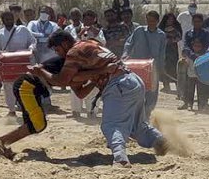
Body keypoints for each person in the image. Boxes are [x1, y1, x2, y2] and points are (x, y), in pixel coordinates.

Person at [31, 31, 168, 167]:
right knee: (137, 126)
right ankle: (160, 140)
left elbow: (61, 81)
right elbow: (80, 92)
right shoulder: (90, 42)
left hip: (118, 86)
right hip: (133, 80)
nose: (58, 53)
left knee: (111, 125)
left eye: (57, 49)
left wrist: (41, 72)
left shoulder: (73, 53)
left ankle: (121, 159)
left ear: (65, 43)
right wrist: (97, 76)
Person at [0, 11, 36, 117]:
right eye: (6, 19)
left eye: (11, 18)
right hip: (8, 66)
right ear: (2, 20)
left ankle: (27, 110)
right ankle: (12, 111)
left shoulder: (23, 30)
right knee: (8, 88)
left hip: (22, 64)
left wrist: (31, 49)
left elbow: (33, 41)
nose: (9, 21)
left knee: (24, 87)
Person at [123, 10, 166, 117]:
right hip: (137, 67)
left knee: (152, 92)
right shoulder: (139, 31)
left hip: (152, 68)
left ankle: (147, 113)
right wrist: (125, 55)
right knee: (137, 90)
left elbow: (162, 53)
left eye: (153, 21)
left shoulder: (161, 35)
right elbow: (129, 43)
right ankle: (136, 113)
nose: (150, 22)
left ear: (157, 21)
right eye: (148, 20)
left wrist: (160, 68)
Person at [69, 9, 106, 118]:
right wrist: (80, 34)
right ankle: (76, 111)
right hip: (78, 62)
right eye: (86, 18)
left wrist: (96, 35)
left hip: (93, 63)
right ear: (83, 19)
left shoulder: (98, 31)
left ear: (94, 20)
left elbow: (103, 44)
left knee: (93, 87)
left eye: (91, 18)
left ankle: (92, 111)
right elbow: (72, 43)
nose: (88, 21)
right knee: (76, 84)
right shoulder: (76, 30)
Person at [179, 14, 209, 111]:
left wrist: (200, 54)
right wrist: (192, 55)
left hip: (202, 59)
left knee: (201, 83)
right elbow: (186, 46)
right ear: (192, 22)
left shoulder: (205, 33)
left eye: (199, 21)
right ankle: (188, 103)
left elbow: (208, 46)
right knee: (189, 82)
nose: (197, 23)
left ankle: (202, 104)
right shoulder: (189, 33)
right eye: (195, 21)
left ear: (202, 22)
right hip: (191, 60)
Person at [180, 37, 208, 111]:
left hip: (200, 76)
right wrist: (184, 62)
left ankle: (201, 106)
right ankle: (190, 105)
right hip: (191, 75)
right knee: (190, 91)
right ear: (192, 47)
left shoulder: (203, 56)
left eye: (199, 46)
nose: (197, 48)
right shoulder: (190, 56)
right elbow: (186, 65)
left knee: (201, 91)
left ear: (201, 47)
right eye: (195, 46)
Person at [158, 13, 182, 93]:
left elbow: (179, 37)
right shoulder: (161, 28)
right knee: (164, 67)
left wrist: (171, 39)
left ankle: (178, 86)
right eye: (168, 19)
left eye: (171, 20)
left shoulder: (176, 28)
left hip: (173, 50)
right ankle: (166, 86)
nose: (170, 21)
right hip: (164, 50)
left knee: (174, 68)